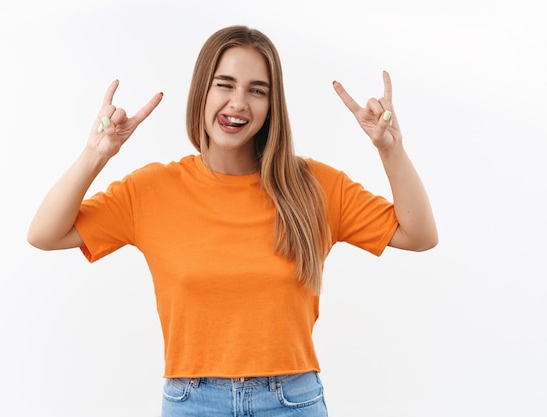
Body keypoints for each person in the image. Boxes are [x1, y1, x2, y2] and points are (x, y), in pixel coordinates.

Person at [27, 25, 437, 417]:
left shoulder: (314, 187)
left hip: (292, 402)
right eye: (224, 84)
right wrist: (96, 154)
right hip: (193, 402)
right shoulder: (150, 189)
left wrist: (390, 149)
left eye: (257, 91)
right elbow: (45, 233)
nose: (238, 102)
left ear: (271, 106)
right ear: (202, 91)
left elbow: (418, 235)